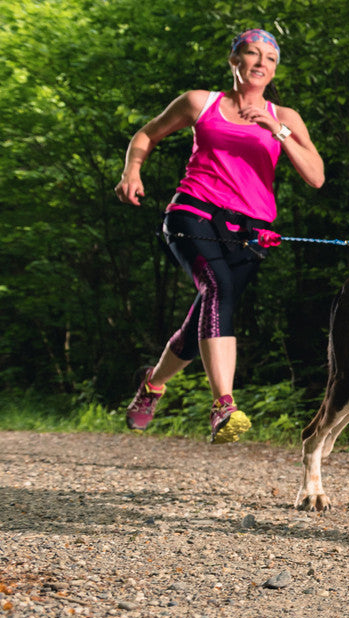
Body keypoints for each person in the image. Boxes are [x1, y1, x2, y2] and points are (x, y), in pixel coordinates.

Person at [115, 28, 325, 443]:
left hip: (251, 229)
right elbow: (147, 134)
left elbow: (316, 177)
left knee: (205, 318)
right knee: (217, 289)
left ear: (275, 70)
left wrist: (277, 130)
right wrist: (131, 172)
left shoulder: (286, 117)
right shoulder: (200, 102)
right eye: (251, 54)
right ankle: (223, 405)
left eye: (270, 58)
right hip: (193, 210)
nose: (261, 63)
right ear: (234, 61)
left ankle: (153, 383)